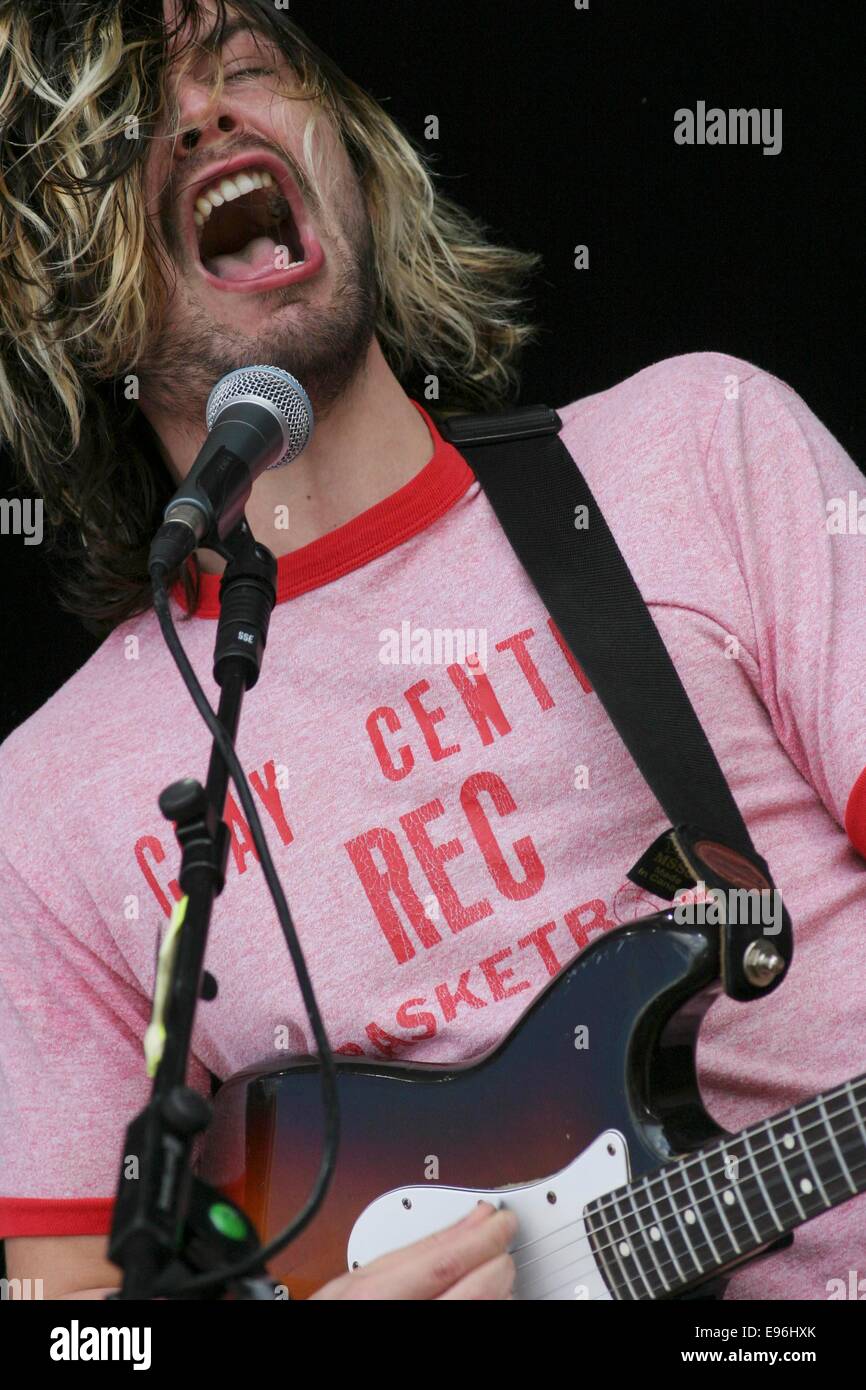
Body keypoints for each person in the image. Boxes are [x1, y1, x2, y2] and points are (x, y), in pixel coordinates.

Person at [1, 0, 864, 1302]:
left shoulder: (701, 443)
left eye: (249, 68)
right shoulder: (44, 798)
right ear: (64, 286)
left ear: (354, 159)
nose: (214, 112)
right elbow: (71, 1319)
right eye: (134, 128)